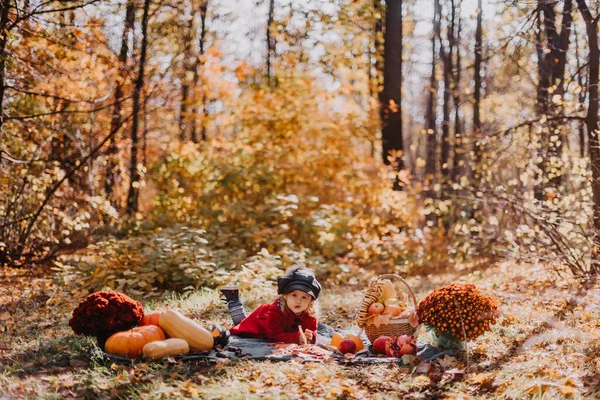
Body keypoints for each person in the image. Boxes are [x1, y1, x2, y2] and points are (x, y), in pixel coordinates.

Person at [220, 265, 321, 344]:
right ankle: (233, 301)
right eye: (294, 295)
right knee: (241, 325)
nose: (298, 301)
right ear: (285, 296)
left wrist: (310, 336)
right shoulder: (276, 311)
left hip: (276, 329)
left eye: (304, 297)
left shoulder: (311, 315)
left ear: (310, 301)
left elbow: (312, 331)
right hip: (258, 327)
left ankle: (234, 300)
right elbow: (274, 336)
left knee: (242, 322)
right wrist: (296, 338)